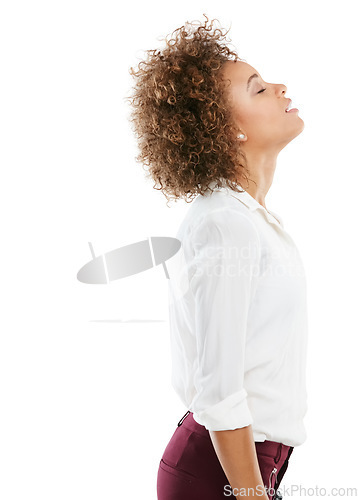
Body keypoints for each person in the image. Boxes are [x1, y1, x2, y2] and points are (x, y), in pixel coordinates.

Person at [127, 14, 308, 500]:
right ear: (228, 130)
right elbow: (220, 392)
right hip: (221, 472)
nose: (279, 86)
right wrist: (251, 494)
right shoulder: (225, 225)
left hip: (243, 466)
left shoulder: (248, 220)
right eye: (258, 89)